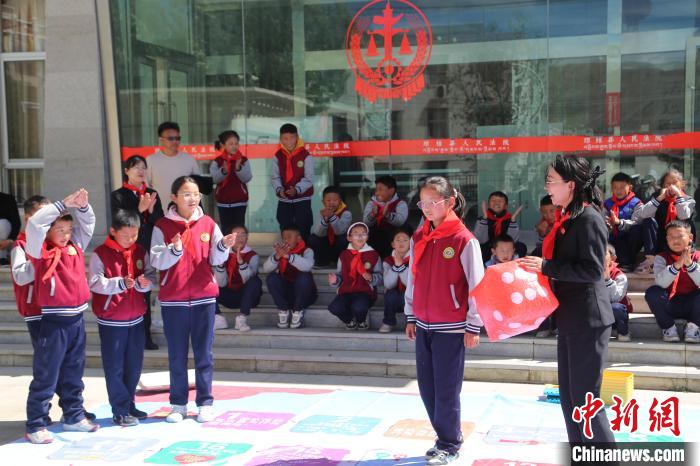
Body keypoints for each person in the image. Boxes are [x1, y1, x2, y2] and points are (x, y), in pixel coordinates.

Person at [519, 155, 616, 445]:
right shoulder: (568, 218)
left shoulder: (589, 219)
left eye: (551, 180)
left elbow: (593, 270)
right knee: (571, 399)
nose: (547, 187)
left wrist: (546, 267)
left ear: (570, 185)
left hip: (588, 319)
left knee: (586, 401)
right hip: (570, 317)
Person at [404, 176, 484, 465]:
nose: (426, 207)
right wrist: (410, 314)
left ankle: (449, 443)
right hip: (423, 322)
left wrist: (473, 324)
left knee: (447, 389)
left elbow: (477, 285)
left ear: (449, 202)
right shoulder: (419, 237)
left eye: (432, 202)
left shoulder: (464, 239)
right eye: (422, 203)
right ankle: (443, 437)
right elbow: (412, 278)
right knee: (427, 388)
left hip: (451, 326)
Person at [150, 176, 236, 424]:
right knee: (177, 355)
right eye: (186, 194)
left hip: (203, 298)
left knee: (204, 354)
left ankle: (205, 403)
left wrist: (224, 246)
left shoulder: (208, 223)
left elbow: (216, 259)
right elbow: (156, 260)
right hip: (174, 300)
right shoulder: (162, 226)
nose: (193, 198)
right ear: (174, 197)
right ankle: (178, 405)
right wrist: (174, 250)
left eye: (196, 194)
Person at [24, 189, 99, 443]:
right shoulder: (39, 251)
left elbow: (88, 224)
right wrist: (62, 204)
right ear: (48, 232)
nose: (66, 235)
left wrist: (83, 207)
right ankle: (36, 423)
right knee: (47, 374)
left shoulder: (75, 246)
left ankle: (73, 415)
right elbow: (35, 224)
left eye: (68, 230)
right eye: (60, 230)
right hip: (54, 321)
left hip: (77, 319)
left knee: (74, 372)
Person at [89, 209, 156, 426]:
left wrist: (145, 284)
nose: (130, 239)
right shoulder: (100, 253)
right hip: (111, 320)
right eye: (125, 235)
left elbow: (150, 275)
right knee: (115, 367)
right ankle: (119, 410)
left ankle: (129, 404)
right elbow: (94, 282)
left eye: (134, 235)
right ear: (113, 231)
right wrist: (119, 283)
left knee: (134, 366)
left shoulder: (140, 251)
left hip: (136, 318)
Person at [111, 154, 164, 350]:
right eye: (136, 167)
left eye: (143, 167)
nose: (141, 171)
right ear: (126, 171)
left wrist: (150, 211)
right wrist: (139, 210)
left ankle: (145, 336)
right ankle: (126, 336)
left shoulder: (151, 193)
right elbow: (120, 222)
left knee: (145, 291)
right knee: (128, 291)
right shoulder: (118, 195)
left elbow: (160, 221)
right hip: (127, 250)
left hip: (147, 249)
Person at [644, 220, 700, 343]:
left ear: (690, 237)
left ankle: (694, 327)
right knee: (652, 292)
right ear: (667, 239)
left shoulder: (698, 256)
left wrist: (690, 265)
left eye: (680, 236)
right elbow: (661, 283)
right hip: (670, 304)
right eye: (671, 237)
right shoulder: (661, 258)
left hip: (694, 305)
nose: (675, 241)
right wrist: (677, 265)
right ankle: (668, 328)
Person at [637, 169, 696, 272]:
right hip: (661, 238)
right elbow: (642, 214)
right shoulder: (657, 196)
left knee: (687, 222)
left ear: (682, 184)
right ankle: (651, 259)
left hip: (678, 238)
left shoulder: (688, 199)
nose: (671, 186)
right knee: (648, 221)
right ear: (663, 186)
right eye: (668, 184)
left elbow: (684, 215)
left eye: (674, 183)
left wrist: (678, 195)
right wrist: (660, 197)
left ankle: (684, 256)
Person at [328, 222, 382, 330]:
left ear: (367, 237)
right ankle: (350, 320)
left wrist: (372, 278)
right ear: (349, 238)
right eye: (356, 233)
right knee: (334, 307)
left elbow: (380, 278)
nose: (360, 236)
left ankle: (361, 321)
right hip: (346, 291)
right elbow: (340, 276)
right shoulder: (344, 255)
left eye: (363, 233)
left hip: (365, 292)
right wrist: (335, 280)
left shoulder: (374, 255)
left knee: (359, 307)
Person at [263, 225, 317, 329]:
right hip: (287, 294)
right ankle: (283, 309)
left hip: (304, 295)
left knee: (305, 277)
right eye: (284, 238)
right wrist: (277, 257)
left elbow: (307, 266)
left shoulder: (307, 251)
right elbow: (266, 268)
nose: (286, 240)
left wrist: (288, 256)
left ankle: (298, 311)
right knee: (271, 277)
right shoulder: (279, 251)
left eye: (289, 237)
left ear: (299, 238)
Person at [213, 224, 263, 332]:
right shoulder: (223, 254)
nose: (240, 238)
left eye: (243, 235)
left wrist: (241, 262)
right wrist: (221, 264)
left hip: (248, 298)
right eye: (237, 235)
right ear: (230, 238)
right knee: (209, 282)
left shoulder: (253, 255)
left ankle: (242, 319)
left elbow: (248, 279)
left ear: (247, 238)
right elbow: (221, 284)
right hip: (229, 297)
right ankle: (218, 318)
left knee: (255, 281)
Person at [271, 123, 314, 242]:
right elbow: (275, 177)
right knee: (285, 228)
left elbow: (309, 178)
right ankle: (287, 252)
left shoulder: (306, 155)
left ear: (297, 137)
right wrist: (279, 189)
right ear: (281, 139)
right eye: (285, 138)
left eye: (292, 138)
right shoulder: (278, 156)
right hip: (284, 200)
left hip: (302, 200)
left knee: (304, 228)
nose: (289, 141)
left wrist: (297, 189)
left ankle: (305, 251)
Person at [146, 121, 201, 207]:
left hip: (184, 211)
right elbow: (146, 186)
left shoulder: (189, 159)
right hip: (159, 210)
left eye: (177, 138)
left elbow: (197, 185)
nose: (175, 141)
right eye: (170, 138)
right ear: (161, 140)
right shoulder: (151, 160)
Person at [209, 130, 251, 232]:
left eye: (236, 143)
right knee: (226, 230)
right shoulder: (218, 161)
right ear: (223, 145)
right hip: (223, 202)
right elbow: (213, 179)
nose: (234, 146)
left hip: (240, 202)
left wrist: (238, 168)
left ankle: (239, 243)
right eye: (231, 144)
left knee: (239, 229)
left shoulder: (243, 160)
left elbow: (247, 178)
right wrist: (223, 171)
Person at [603, 172, 645, 270]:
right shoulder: (606, 204)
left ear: (630, 187)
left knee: (637, 229)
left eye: (622, 187)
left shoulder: (637, 203)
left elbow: (637, 222)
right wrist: (608, 224)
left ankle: (628, 262)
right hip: (613, 239)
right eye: (615, 187)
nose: (618, 190)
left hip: (630, 239)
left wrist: (619, 222)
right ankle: (622, 262)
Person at [363, 175, 408, 258]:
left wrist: (388, 215)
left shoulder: (400, 203)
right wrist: (372, 214)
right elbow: (366, 222)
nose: (377, 193)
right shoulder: (372, 203)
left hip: (392, 239)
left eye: (380, 190)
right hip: (375, 238)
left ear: (391, 191)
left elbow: (400, 221)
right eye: (376, 190)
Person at [474, 191, 525, 261]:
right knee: (479, 249)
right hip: (489, 249)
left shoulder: (509, 219)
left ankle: (510, 264)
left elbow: (513, 240)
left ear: (506, 206)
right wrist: (485, 218)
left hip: (505, 248)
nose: (496, 203)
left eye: (500, 201)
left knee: (521, 247)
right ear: (488, 204)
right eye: (493, 200)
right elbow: (481, 240)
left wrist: (512, 220)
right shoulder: (482, 219)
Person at [309, 186, 352, 267]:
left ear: (340, 201)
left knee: (343, 239)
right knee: (313, 238)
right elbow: (318, 233)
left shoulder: (346, 213)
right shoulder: (323, 212)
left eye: (335, 200)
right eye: (328, 200)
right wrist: (325, 220)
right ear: (323, 202)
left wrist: (332, 216)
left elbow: (339, 231)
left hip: (339, 245)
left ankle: (341, 262)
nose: (331, 203)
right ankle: (322, 263)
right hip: (327, 245)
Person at [379, 227, 411, 333]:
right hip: (394, 299)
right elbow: (388, 284)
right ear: (393, 244)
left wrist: (400, 266)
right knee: (390, 293)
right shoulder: (388, 260)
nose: (401, 243)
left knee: (408, 294)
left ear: (411, 243)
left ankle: (411, 323)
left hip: (409, 298)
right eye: (398, 240)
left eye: (405, 240)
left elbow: (409, 283)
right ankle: (388, 322)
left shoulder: (415, 259)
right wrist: (396, 266)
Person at [604, 245, 633, 342]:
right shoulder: (590, 273)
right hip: (598, 316)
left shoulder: (620, 276)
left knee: (616, 307)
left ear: (613, 258)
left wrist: (607, 280)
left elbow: (616, 298)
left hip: (615, 317)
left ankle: (623, 332)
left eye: (604, 254)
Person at [0, 191, 21, 265]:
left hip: (5, 236)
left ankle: (2, 257)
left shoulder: (7, 199)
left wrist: (10, 239)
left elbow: (16, 222)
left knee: (2, 223)